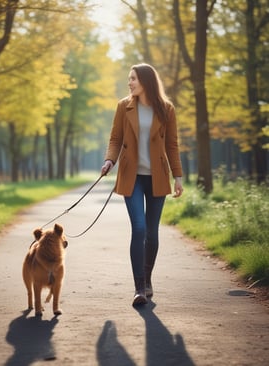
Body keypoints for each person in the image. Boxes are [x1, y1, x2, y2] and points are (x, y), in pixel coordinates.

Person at [101, 63, 183, 307]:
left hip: (157, 176)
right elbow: (115, 138)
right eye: (129, 79)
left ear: (146, 81)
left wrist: (178, 176)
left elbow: (172, 145)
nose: (130, 83)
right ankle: (138, 288)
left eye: (133, 78)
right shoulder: (123, 106)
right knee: (138, 228)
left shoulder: (166, 109)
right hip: (132, 176)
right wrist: (109, 160)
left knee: (152, 233)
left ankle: (147, 280)